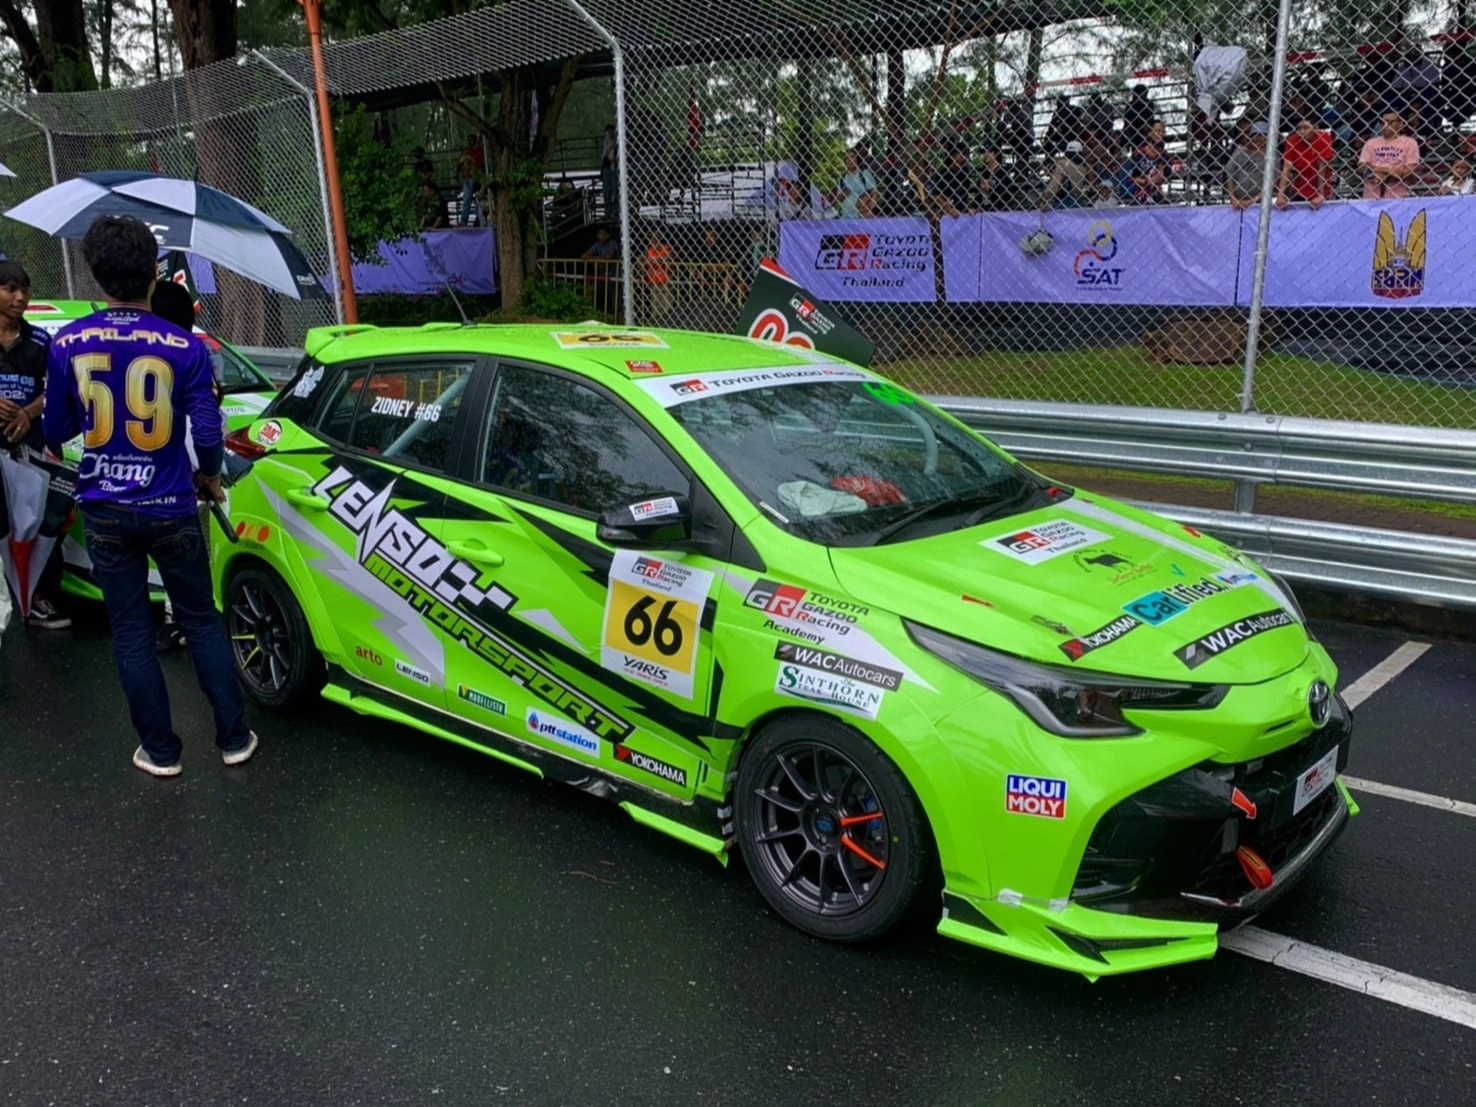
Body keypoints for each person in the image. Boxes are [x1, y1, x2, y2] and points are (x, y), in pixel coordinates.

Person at [42, 214, 257, 777]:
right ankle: (234, 738)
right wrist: (208, 474)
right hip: (172, 506)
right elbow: (208, 436)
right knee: (201, 620)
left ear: (95, 274)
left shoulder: (69, 342)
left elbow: (55, 430)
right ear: (154, 274)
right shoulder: (185, 346)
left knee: (133, 630)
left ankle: (161, 751)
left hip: (106, 510)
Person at [148, 280, 220, 652]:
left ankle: (180, 620)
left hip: (166, 475)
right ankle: (189, 619)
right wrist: (211, 472)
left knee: (181, 552)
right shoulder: (196, 356)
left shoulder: (152, 356)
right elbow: (208, 426)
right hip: (194, 473)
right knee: (195, 551)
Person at [0, 260, 68, 629]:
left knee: (40, 522)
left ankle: (38, 597)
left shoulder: (42, 341)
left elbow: (58, 389)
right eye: (10, 289)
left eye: (24, 289)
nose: (20, 297)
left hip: (32, 447)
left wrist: (28, 412)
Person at [1358, 109, 1421, 200]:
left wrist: (1382, 173)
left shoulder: (1410, 143)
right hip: (1371, 197)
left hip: (1399, 196)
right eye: (1382, 122)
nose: (1385, 125)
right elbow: (1362, 167)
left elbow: (1410, 170)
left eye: (1390, 122)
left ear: (1401, 124)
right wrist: (1390, 171)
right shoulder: (1371, 143)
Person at [1276, 116, 1335, 210]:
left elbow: (1322, 166)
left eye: (1306, 128)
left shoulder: (1323, 138)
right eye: (1299, 128)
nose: (1302, 131)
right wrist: (1280, 195)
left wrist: (1320, 194)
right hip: (1300, 188)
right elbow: (1287, 168)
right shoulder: (1293, 141)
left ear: (1315, 128)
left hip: (1322, 187)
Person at [1224, 121, 1271, 210]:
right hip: (1238, 200)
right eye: (1254, 135)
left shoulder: (1272, 155)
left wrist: (1254, 200)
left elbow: (1273, 182)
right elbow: (1229, 175)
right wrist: (1233, 198)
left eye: (1261, 135)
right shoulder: (1240, 152)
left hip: (1260, 202)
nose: (1257, 138)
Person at [828, 147, 878, 219]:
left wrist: (871, 208)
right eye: (847, 158)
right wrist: (843, 194)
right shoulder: (842, 178)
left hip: (862, 217)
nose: (849, 160)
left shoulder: (864, 174)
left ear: (857, 159)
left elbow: (875, 192)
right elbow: (840, 199)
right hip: (845, 217)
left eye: (852, 157)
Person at [1039, 140, 1091, 210]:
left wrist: (1045, 197)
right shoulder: (1083, 167)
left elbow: (1056, 183)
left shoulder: (1063, 163)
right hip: (1078, 200)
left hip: (1064, 201)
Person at [928, 142, 977, 216]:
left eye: (966, 156)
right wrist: (949, 209)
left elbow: (965, 196)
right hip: (947, 214)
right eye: (961, 155)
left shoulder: (964, 173)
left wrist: (969, 208)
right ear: (952, 157)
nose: (964, 159)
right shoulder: (943, 173)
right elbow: (936, 195)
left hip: (962, 214)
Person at [643, 227, 674, 318]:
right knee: (655, 308)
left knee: (666, 307)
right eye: (651, 238)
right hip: (653, 282)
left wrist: (653, 260)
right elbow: (641, 260)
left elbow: (666, 259)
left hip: (665, 282)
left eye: (655, 238)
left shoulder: (666, 248)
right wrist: (648, 261)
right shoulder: (650, 249)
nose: (653, 241)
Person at [457, 133, 485, 226]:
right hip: (467, 177)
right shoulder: (466, 150)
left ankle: (478, 221)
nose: (468, 142)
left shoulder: (479, 151)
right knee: (466, 200)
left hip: (475, 176)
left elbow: (481, 164)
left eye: (470, 140)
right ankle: (463, 221)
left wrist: (471, 159)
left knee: (473, 199)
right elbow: (459, 163)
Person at [600, 124, 619, 216]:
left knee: (615, 191)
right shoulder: (606, 143)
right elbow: (603, 156)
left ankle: (615, 212)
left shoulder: (618, 143)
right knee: (607, 191)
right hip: (608, 168)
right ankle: (608, 212)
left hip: (615, 168)